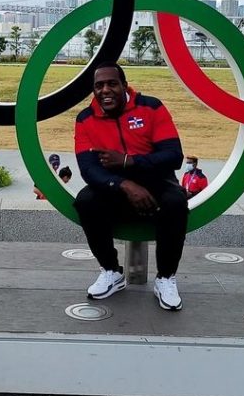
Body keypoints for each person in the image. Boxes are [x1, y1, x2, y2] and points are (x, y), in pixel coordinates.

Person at [73, 62, 188, 311]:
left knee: (176, 201)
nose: (105, 90)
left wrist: (128, 161)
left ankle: (166, 278)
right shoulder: (85, 119)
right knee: (86, 201)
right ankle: (111, 272)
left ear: (124, 85)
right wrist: (124, 184)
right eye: (99, 86)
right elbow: (88, 170)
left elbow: (174, 156)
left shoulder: (151, 107)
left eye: (112, 83)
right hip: (115, 188)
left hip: (157, 182)